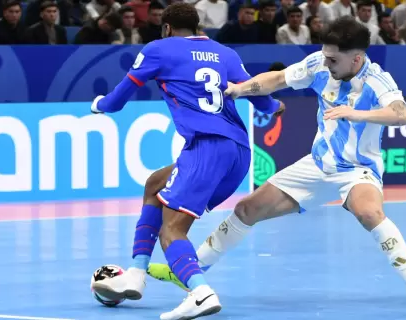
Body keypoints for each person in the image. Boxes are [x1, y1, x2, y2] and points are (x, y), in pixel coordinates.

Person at [147, 15, 406, 319]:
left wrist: (356, 114)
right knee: (247, 209)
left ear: (356, 59)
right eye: (325, 55)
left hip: (357, 169)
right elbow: (277, 79)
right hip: (316, 165)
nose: (326, 63)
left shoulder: (377, 79)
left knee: (369, 213)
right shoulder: (319, 63)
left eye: (333, 59)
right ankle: (191, 267)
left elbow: (400, 114)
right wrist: (241, 89)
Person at [88, 3, 283, 320]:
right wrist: (274, 106)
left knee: (172, 231)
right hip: (238, 152)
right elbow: (259, 95)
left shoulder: (159, 49)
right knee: (155, 184)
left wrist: (99, 105)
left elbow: (119, 98)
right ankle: (136, 274)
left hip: (206, 148)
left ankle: (200, 293)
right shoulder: (225, 53)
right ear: (198, 27)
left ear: (166, 28)